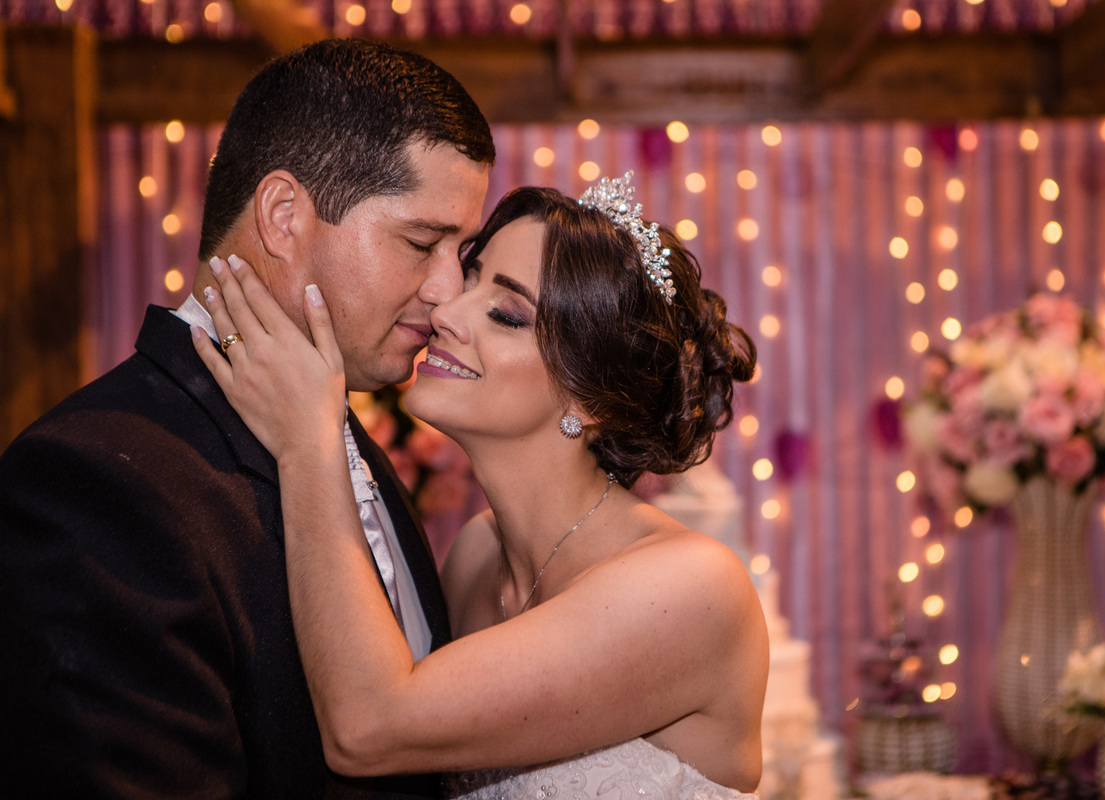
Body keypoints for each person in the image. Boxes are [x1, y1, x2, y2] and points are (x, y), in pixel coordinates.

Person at [0, 38, 493, 798]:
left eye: (461, 251)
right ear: (283, 215)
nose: (446, 290)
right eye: (423, 242)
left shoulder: (345, 434)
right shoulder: (94, 476)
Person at [194, 174, 769, 798]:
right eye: (471, 279)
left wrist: (308, 445)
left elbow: (369, 727)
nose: (444, 312)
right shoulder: (474, 556)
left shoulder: (689, 586)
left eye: (506, 314)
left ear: (591, 395)